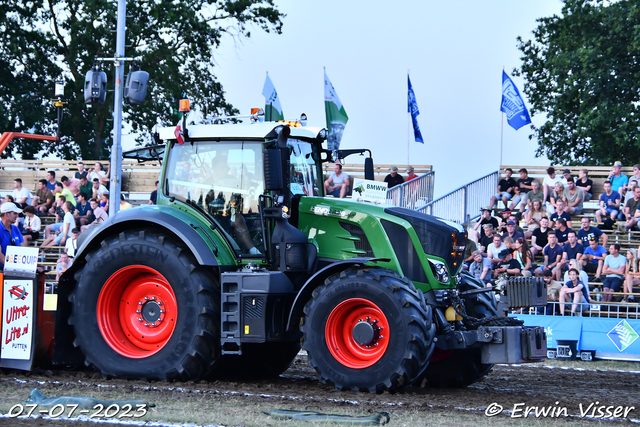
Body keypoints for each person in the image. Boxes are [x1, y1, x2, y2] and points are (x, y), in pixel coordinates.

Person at [0, 203, 27, 268]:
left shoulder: (15, 228)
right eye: (15, 213)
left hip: (13, 269)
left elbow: (22, 248)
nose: (17, 216)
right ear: (6, 214)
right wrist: (12, 267)